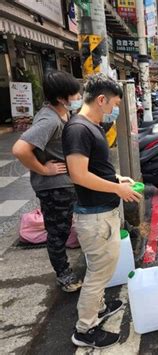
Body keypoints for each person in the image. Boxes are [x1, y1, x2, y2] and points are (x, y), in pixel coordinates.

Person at [62, 73, 142, 348]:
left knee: (103, 270)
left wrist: (117, 180)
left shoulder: (91, 126)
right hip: (95, 217)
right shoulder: (78, 129)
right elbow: (78, 175)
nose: (114, 110)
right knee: (97, 274)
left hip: (102, 213)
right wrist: (117, 190)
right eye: (113, 104)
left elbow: (95, 170)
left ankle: (98, 310)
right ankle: (85, 330)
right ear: (101, 99)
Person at [12, 70, 83, 292]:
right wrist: (44, 169)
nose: (77, 98)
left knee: (64, 227)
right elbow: (20, 149)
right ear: (61, 98)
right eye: (74, 95)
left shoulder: (62, 113)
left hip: (66, 183)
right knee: (57, 232)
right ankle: (64, 275)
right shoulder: (49, 119)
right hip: (54, 188)